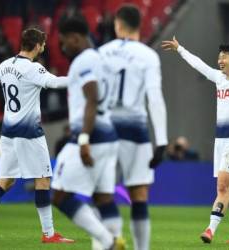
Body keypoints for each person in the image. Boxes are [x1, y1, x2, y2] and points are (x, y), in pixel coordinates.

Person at [162, 34, 229, 244]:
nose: (220, 60)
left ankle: (210, 230)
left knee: (222, 188)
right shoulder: (219, 78)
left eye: (224, 57)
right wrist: (180, 48)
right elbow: (198, 65)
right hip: (220, 141)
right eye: (219, 57)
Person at [0, 28, 74, 244]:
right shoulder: (33, 69)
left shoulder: (7, 64)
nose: (44, 48)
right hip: (29, 135)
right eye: (43, 44)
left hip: (7, 134)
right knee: (43, 179)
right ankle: (49, 234)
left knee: (5, 181)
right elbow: (55, 82)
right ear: (36, 45)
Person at [97, 5, 168, 250]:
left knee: (103, 194)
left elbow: (89, 95)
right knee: (139, 195)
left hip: (104, 130)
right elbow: (154, 98)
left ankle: (108, 243)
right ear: (140, 25)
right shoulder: (148, 56)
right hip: (135, 132)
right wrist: (161, 140)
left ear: (117, 24)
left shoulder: (101, 53)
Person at [50, 15, 123, 250]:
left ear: (75, 38)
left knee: (60, 196)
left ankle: (108, 241)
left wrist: (83, 139)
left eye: (63, 42)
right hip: (108, 134)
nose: (62, 48)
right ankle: (113, 241)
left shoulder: (84, 60)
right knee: (103, 198)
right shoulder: (102, 58)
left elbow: (91, 97)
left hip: (90, 136)